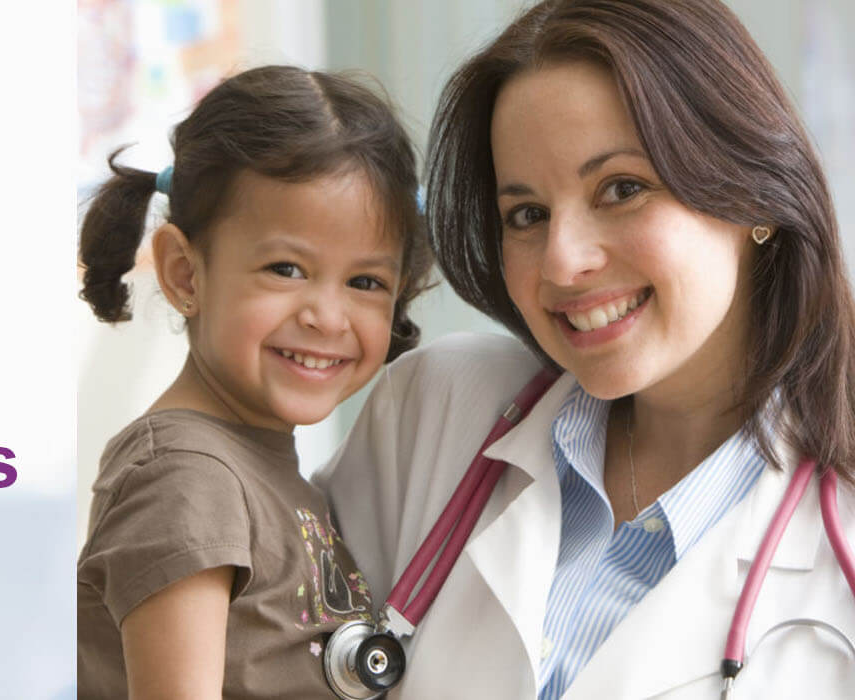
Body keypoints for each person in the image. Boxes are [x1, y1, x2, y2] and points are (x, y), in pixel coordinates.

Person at [319, 1, 855, 698]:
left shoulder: (834, 554)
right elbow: (243, 632)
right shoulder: (436, 413)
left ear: (751, 197)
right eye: (527, 215)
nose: (562, 262)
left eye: (622, 189)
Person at [75, 65, 433, 699]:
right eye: (286, 268)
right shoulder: (186, 477)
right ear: (186, 275)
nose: (326, 315)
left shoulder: (256, 468)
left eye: (365, 282)